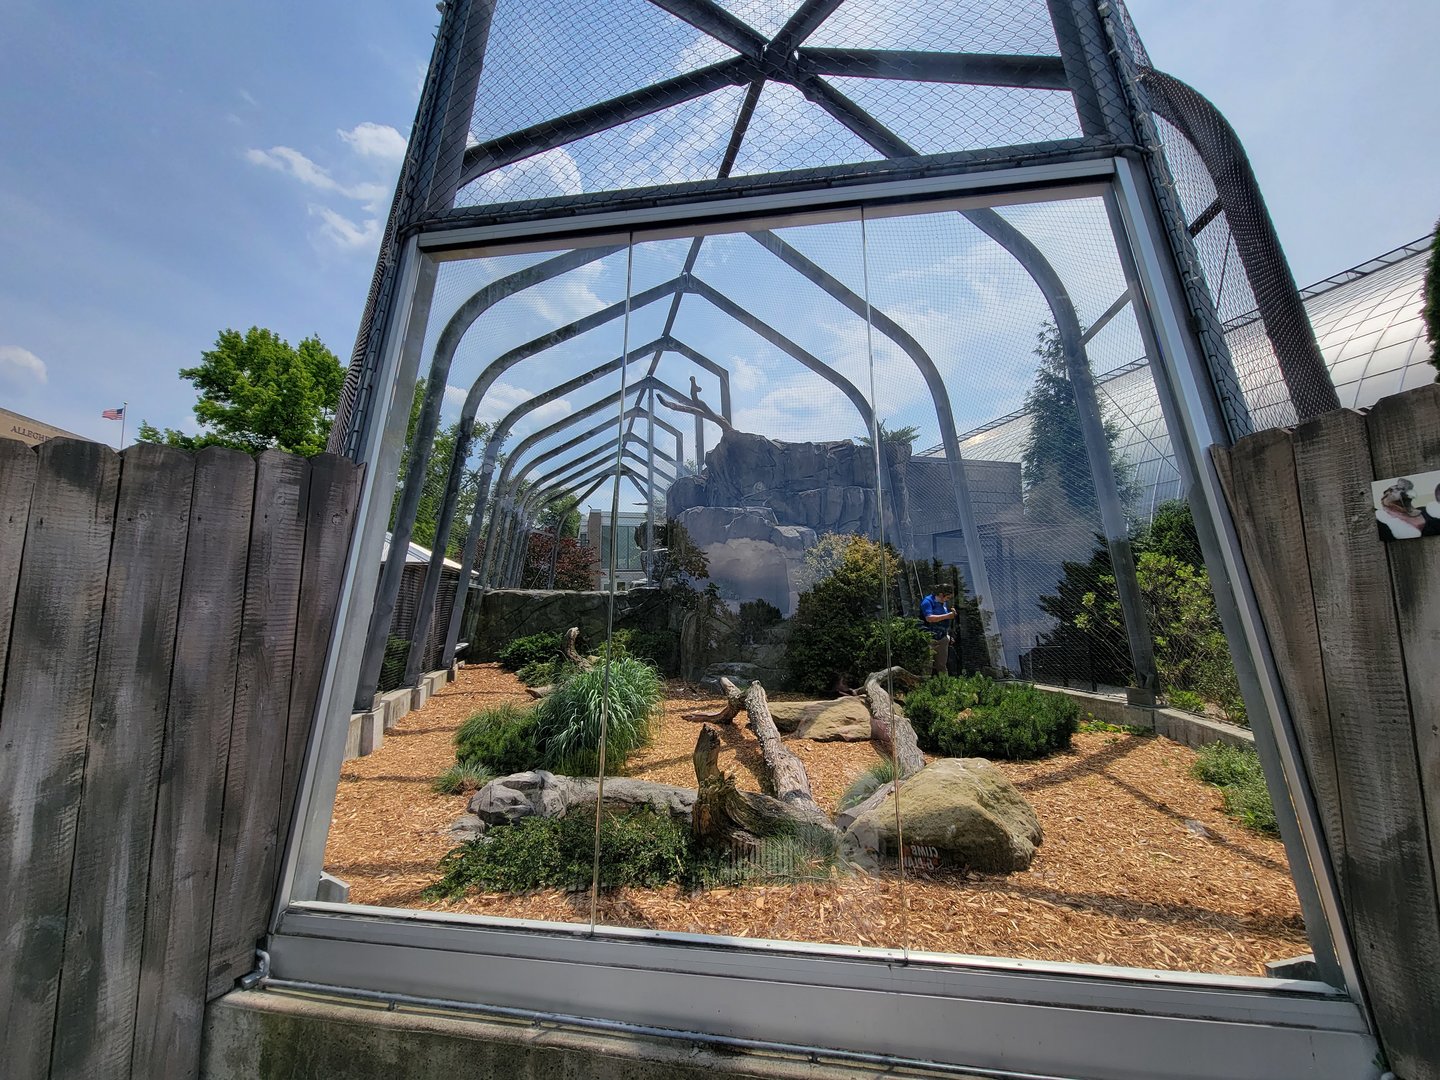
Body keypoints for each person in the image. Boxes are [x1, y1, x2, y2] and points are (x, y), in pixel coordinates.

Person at [920, 586, 956, 676]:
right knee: (927, 665)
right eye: (947, 597)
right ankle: (925, 685)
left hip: (942, 637)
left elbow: (943, 621)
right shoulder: (927, 602)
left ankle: (944, 686)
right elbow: (929, 618)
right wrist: (948, 616)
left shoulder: (942, 603)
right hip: (929, 637)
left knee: (942, 665)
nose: (947, 600)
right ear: (941, 594)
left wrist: (946, 634)